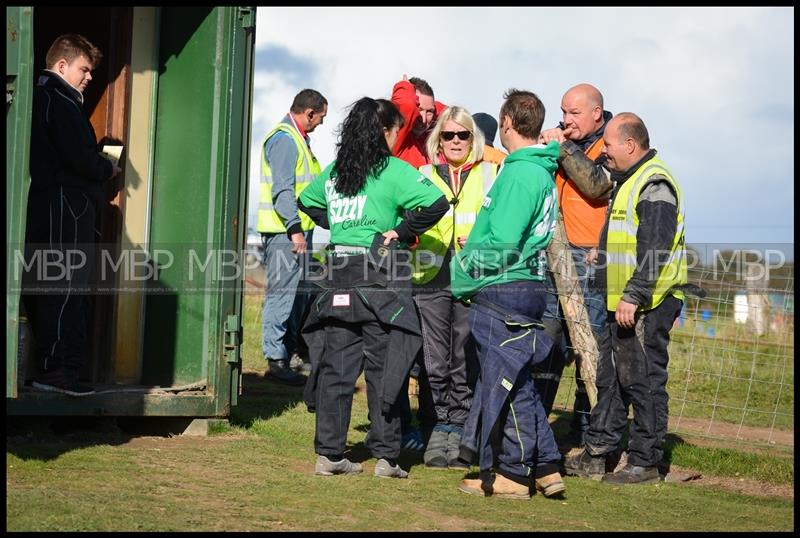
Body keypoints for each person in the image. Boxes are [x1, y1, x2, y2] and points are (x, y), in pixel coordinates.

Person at [297, 97, 449, 479]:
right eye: (396, 129)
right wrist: (398, 231)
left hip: (337, 277)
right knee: (386, 366)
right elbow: (437, 204)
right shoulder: (394, 171)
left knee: (336, 367)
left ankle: (330, 455)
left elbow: (306, 202)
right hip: (380, 275)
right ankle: (387, 458)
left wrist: (337, 223)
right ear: (383, 131)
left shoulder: (334, 173)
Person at [452, 89, 565, 499]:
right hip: (524, 285)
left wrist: (462, 271)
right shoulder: (538, 170)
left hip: (506, 287)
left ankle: (516, 474)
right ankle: (548, 467)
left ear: (506, 124)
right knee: (516, 378)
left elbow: (501, 241)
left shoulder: (520, 174)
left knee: (507, 383)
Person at [564, 112, 687, 485]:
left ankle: (645, 462)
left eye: (610, 146)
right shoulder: (628, 180)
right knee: (610, 380)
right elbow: (624, 234)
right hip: (622, 301)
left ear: (631, 144)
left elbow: (655, 246)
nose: (605, 154)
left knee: (644, 380)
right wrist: (600, 255)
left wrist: (634, 294)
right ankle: (598, 454)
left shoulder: (654, 183)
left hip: (647, 303)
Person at [23, 34, 122, 396]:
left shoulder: (52, 100)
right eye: (84, 69)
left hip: (59, 207)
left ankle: (55, 369)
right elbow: (77, 159)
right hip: (64, 209)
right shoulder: (57, 101)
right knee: (64, 288)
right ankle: (57, 372)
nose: (90, 77)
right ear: (61, 66)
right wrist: (104, 167)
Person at [411, 106, 498, 469]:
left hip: (470, 277)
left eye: (463, 134)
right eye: (449, 135)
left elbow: (499, 222)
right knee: (435, 357)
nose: (456, 141)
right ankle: (439, 426)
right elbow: (407, 220)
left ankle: (460, 428)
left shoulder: (492, 174)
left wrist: (477, 239)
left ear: (473, 139)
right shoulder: (422, 174)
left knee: (464, 355)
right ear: (438, 140)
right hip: (429, 276)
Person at [533, 83, 614, 443]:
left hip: (590, 259)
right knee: (547, 345)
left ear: (596, 112)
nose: (565, 120)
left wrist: (562, 147)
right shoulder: (566, 144)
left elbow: (597, 185)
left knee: (590, 349)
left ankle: (589, 436)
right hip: (554, 255)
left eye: (574, 113)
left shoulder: (611, 146)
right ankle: (534, 429)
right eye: (563, 112)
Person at [257, 89, 327, 386]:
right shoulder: (285, 140)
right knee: (283, 295)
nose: (320, 124)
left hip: (296, 232)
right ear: (309, 113)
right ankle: (276, 360)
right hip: (287, 233)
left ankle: (287, 353)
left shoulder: (297, 139)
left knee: (298, 294)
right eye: (320, 118)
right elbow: (283, 191)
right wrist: (295, 229)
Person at [390, 75, 447, 168]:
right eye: (418, 109)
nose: (424, 120)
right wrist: (404, 87)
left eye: (429, 112)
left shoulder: (429, 134)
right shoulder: (396, 136)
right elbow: (406, 105)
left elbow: (450, 113)